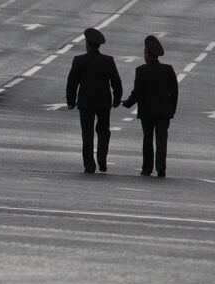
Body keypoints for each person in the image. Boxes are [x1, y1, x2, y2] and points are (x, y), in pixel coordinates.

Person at [66, 27, 123, 173]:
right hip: (104, 102)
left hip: (86, 102)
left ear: (87, 43)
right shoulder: (108, 61)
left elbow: (72, 83)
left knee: (87, 134)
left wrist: (71, 101)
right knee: (104, 131)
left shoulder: (79, 60)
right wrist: (117, 99)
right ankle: (102, 160)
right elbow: (116, 82)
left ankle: (89, 165)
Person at [122, 34, 178, 177]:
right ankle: (161, 167)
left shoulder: (141, 71)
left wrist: (127, 104)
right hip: (164, 112)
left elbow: (137, 92)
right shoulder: (168, 69)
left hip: (147, 111)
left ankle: (147, 168)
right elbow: (174, 92)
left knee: (147, 139)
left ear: (147, 54)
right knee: (161, 140)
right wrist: (172, 109)